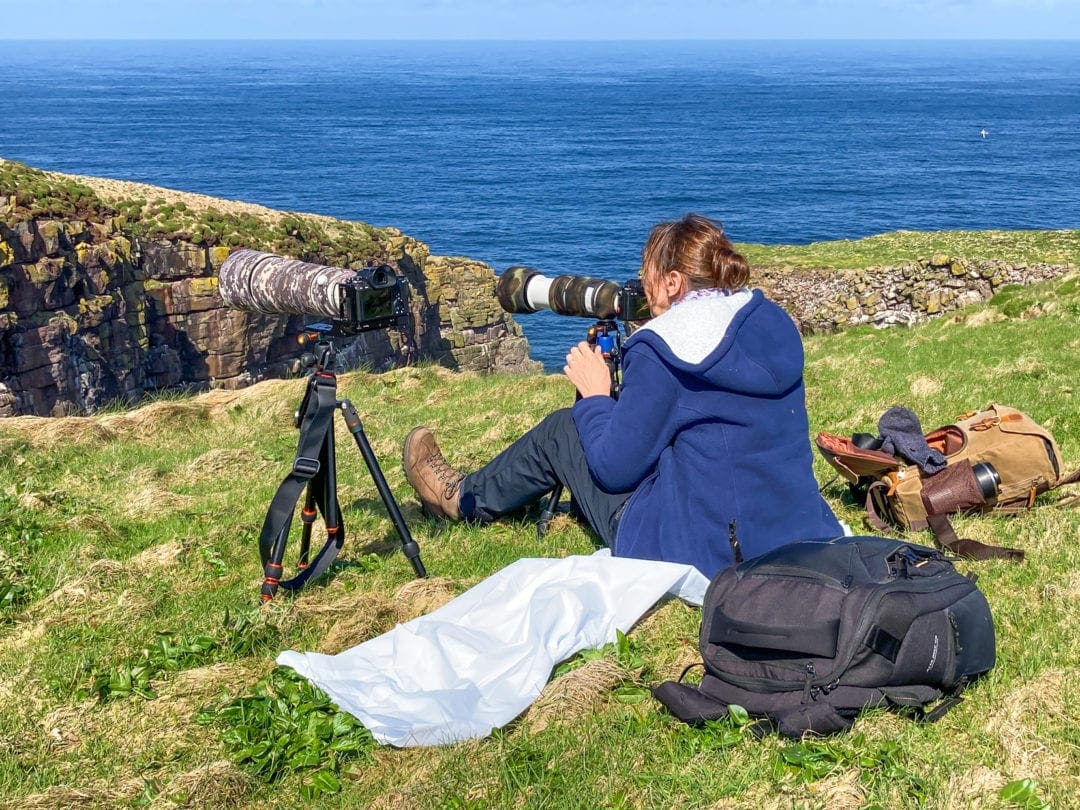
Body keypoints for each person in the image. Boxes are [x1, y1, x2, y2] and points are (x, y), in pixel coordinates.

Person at [402, 214, 842, 578]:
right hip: (797, 531)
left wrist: (595, 396)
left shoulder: (665, 346)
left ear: (672, 281)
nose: (640, 285)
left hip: (706, 551)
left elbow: (615, 470)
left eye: (646, 272)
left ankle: (459, 498)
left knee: (563, 430)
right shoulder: (768, 321)